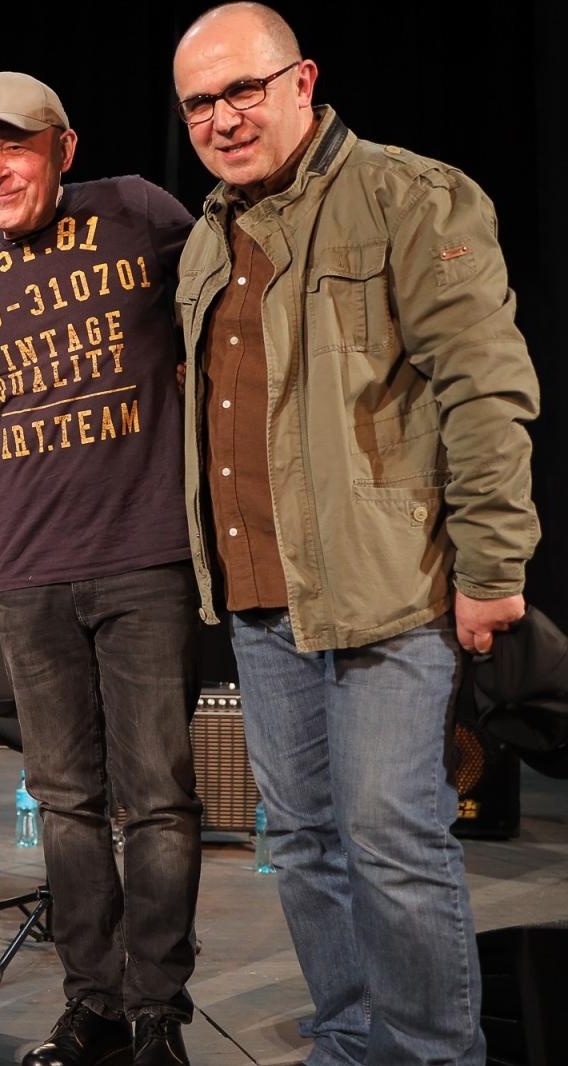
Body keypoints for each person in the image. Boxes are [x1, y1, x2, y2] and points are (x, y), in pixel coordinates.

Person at [171, 6, 539, 1065]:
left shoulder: (406, 194)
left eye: (243, 89)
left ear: (302, 80)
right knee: (302, 842)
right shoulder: (210, 234)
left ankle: (430, 1051)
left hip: (387, 591)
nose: (223, 117)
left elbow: (485, 389)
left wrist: (492, 565)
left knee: (391, 838)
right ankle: (348, 1038)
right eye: (199, 101)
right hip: (257, 598)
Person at [0, 73, 203, 1066]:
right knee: (63, 801)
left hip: (143, 555)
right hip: (29, 570)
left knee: (161, 799)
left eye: (14, 148)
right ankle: (92, 1004)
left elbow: (225, 301)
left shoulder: (134, 208)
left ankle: (158, 1013)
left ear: (61, 147)